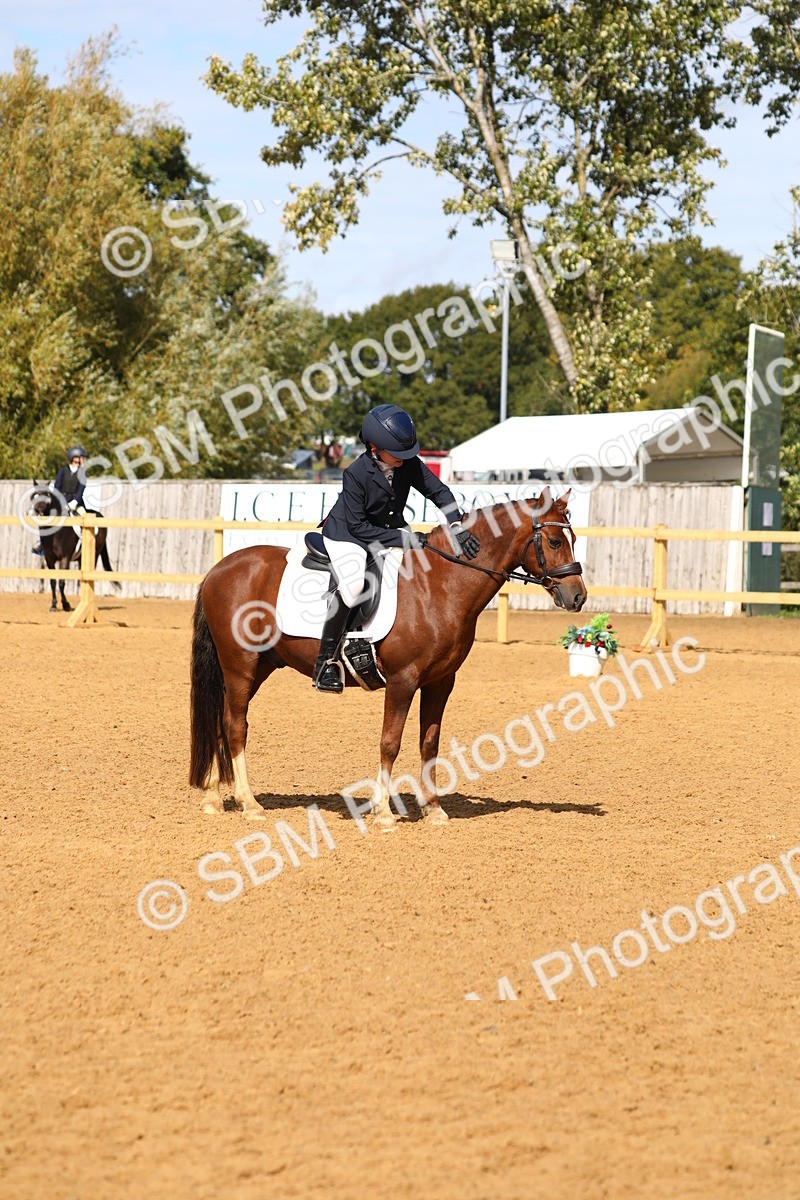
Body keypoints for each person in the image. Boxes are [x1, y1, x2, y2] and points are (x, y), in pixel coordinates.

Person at [312, 404, 480, 693]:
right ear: (374, 447)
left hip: (388, 529)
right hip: (348, 535)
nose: (405, 459)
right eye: (397, 454)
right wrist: (407, 539)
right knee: (353, 587)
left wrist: (455, 523)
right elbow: (359, 527)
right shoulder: (356, 473)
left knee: (418, 569)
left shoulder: (409, 464)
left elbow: (439, 492)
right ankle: (325, 662)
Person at [31, 445, 88, 555]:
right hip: (61, 501)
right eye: (82, 457)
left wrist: (75, 502)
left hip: (76, 503)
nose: (83, 460)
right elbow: (57, 487)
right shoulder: (63, 470)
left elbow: (81, 489)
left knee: (84, 517)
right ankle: (42, 543)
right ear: (74, 458)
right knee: (46, 519)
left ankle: (84, 541)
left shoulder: (82, 473)